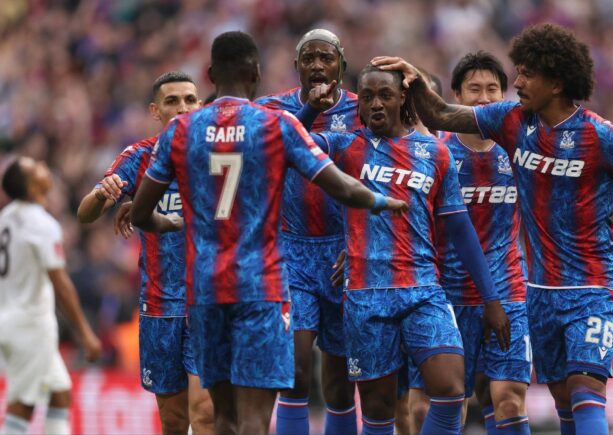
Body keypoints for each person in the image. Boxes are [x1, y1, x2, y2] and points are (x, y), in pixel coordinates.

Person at [372, 23, 613, 435]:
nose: (518, 82)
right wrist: (415, 80)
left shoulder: (600, 135)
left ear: (556, 83)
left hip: (594, 286)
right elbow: (441, 115)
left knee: (585, 389)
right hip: (540, 291)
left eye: (527, 74)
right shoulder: (510, 120)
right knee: (563, 399)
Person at [129, 31, 406, 435]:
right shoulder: (275, 123)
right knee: (255, 420)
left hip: (205, 288)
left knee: (221, 418)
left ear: (209, 75)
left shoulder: (181, 130)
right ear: (256, 73)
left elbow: (140, 213)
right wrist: (382, 202)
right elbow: (342, 187)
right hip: (261, 285)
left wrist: (168, 222)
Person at [302, 64, 511, 435]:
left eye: (385, 95)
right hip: (367, 296)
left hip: (423, 290)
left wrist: (491, 299)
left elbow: (460, 229)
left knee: (451, 389)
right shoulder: (344, 146)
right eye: (367, 97)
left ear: (402, 98)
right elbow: (288, 142)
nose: (376, 104)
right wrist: (310, 110)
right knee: (378, 410)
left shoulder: (435, 153)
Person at [76, 71, 214, 435]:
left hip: (208, 300)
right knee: (173, 420)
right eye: (172, 101)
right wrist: (103, 195)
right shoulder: (138, 157)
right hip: (159, 305)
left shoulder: (219, 155)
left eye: (190, 100)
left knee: (205, 413)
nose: (182, 107)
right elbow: (85, 213)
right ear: (155, 110)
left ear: (200, 106)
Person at [406, 51, 531, 435]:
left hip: (508, 289)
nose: (484, 98)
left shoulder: (520, 149)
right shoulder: (436, 151)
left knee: (507, 398)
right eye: (474, 89)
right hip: (444, 294)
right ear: (456, 95)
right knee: (429, 406)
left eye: (493, 89)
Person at [254, 29, 361, 435]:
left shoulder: (363, 107)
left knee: (340, 383)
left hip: (345, 252)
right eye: (309, 58)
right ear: (296, 66)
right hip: (292, 253)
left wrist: (359, 241)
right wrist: (310, 111)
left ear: (341, 65)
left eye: (326, 58)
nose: (317, 65)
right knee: (295, 370)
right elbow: (269, 152)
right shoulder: (273, 109)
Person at [0, 157, 102, 435]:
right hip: (30, 327)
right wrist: (85, 333)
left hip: (13, 320)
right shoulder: (41, 223)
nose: (43, 167)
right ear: (32, 187)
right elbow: (61, 283)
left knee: (60, 394)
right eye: (36, 168)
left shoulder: (6, 218)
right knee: (22, 407)